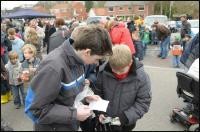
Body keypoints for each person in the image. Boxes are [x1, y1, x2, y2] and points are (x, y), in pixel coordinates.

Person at [24, 25, 113, 131]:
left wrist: (84, 97)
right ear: (87, 52)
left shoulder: (79, 60)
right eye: (97, 59)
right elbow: (34, 110)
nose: (97, 63)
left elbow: (66, 93)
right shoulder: (53, 68)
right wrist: (74, 114)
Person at [95, 45, 152, 131]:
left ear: (130, 63)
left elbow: (143, 102)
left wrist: (125, 117)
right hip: (106, 119)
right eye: (114, 70)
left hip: (126, 122)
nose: (118, 73)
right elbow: (98, 93)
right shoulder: (103, 72)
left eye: (121, 71)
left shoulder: (141, 77)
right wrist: (100, 111)